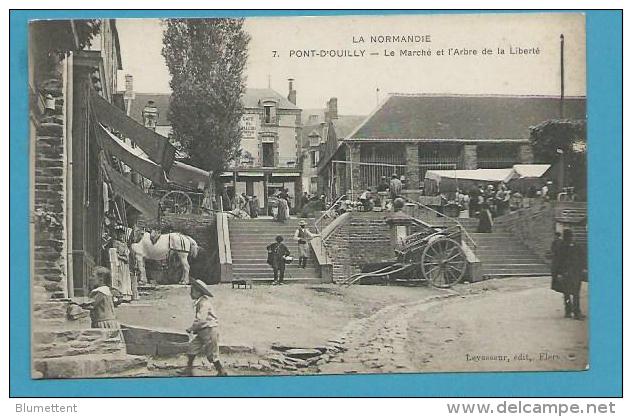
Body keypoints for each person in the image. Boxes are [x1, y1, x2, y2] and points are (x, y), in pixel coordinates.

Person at [179, 279, 227, 376]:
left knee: (212, 354)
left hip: (209, 330)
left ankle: (221, 371)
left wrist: (192, 328)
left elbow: (201, 320)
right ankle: (189, 369)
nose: (190, 294)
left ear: (198, 292)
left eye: (192, 291)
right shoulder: (200, 302)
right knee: (192, 348)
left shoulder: (204, 303)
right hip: (202, 331)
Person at [558, 229, 587, 320]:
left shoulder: (561, 246)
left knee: (568, 293)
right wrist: (584, 268)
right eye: (570, 236)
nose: (571, 238)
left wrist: (559, 273)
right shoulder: (574, 246)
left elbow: (558, 261)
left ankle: (569, 311)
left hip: (568, 273)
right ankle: (575, 312)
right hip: (573, 273)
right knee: (574, 293)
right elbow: (583, 258)